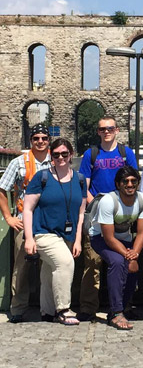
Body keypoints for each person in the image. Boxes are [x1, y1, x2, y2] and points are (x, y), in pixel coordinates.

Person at [78, 115, 138, 322]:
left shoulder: (125, 153)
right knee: (92, 263)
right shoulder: (91, 154)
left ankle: (122, 305)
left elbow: (133, 180)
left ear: (117, 130)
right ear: (98, 132)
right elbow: (84, 184)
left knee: (124, 261)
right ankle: (88, 307)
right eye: (103, 129)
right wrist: (96, 203)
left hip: (121, 215)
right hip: (96, 214)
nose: (106, 132)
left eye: (110, 128)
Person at [23, 138, 87, 325]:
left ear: (71, 155)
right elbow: (27, 208)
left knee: (50, 270)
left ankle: (47, 311)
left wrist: (77, 240)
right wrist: (29, 238)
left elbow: (81, 213)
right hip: (44, 232)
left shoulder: (80, 179)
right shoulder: (42, 177)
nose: (60, 157)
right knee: (65, 263)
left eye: (64, 154)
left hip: (67, 234)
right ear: (51, 155)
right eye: (56, 154)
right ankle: (63, 309)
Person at [0, 124, 51, 323]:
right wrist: (8, 217)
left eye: (44, 138)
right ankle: (18, 308)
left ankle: (48, 307)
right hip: (23, 221)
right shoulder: (19, 162)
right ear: (31, 141)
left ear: (49, 140)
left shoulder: (56, 161)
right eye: (36, 138)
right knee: (21, 267)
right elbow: (2, 189)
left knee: (49, 265)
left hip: (48, 222)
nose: (40, 141)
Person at [89, 166, 143, 330]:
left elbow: (142, 232)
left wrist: (135, 255)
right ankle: (116, 312)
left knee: (133, 269)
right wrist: (129, 256)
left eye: (133, 181)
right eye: (125, 181)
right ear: (118, 184)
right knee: (117, 262)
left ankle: (124, 305)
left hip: (125, 239)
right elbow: (108, 238)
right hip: (100, 238)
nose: (129, 184)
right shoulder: (108, 201)